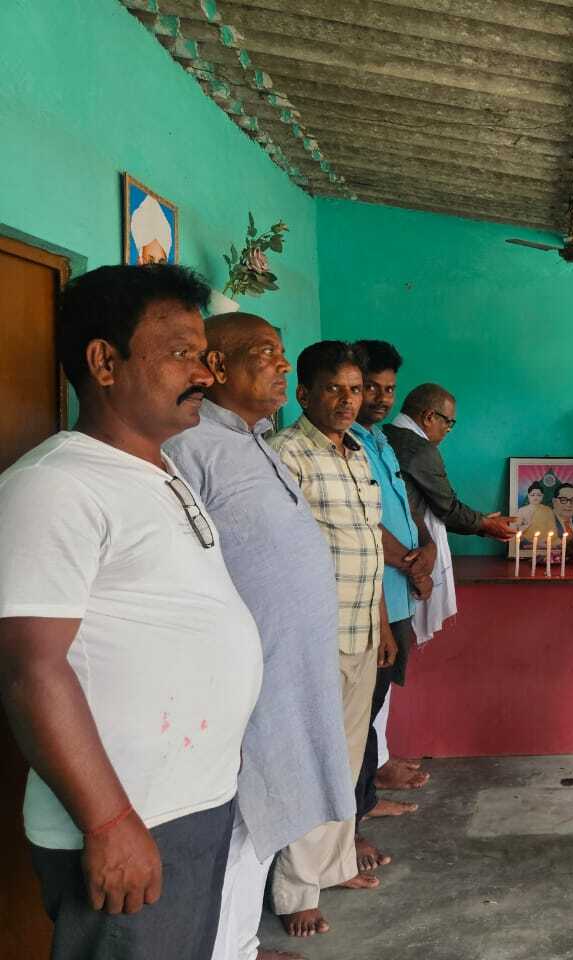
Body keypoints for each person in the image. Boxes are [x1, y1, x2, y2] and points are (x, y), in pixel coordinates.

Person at [0, 264, 262, 960]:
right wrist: (109, 822)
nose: (204, 373)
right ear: (103, 362)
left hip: (192, 801)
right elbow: (31, 670)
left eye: (204, 354)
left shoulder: (161, 470)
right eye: (180, 352)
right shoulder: (55, 486)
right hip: (128, 818)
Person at [164, 313, 357, 960]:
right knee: (235, 834)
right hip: (241, 689)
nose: (282, 365)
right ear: (217, 366)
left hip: (285, 675)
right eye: (266, 353)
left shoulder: (254, 439)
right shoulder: (189, 446)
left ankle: (241, 946)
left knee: (260, 834)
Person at [268, 341, 399, 939]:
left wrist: (382, 623)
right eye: (334, 389)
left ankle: (334, 864)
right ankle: (297, 890)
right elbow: (280, 552)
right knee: (309, 763)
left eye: (355, 390)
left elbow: (366, 544)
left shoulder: (356, 452)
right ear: (304, 394)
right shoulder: (285, 454)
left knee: (346, 758)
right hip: (315, 633)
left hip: (361, 629)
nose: (349, 400)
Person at [350, 340, 433, 834]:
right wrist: (410, 563)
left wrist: (426, 550)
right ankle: (359, 806)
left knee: (376, 701)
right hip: (373, 597)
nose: (381, 398)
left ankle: (368, 790)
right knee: (359, 710)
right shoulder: (348, 444)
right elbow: (362, 520)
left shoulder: (379, 440)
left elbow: (404, 508)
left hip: (398, 595)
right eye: (371, 388)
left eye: (388, 389)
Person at [385, 383, 517, 642]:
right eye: (448, 422)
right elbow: (447, 507)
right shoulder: (420, 450)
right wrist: (485, 524)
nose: (448, 429)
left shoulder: (384, 434)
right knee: (397, 641)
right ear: (429, 416)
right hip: (408, 554)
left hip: (386, 551)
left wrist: (481, 522)